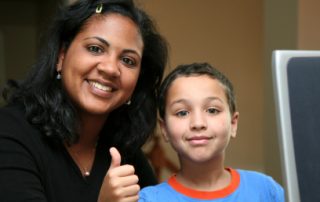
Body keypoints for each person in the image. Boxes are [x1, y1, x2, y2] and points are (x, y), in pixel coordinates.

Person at [0, 0, 168, 201]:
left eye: (128, 60)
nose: (110, 68)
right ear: (61, 57)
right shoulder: (10, 131)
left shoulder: (126, 157)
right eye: (95, 48)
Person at [139, 63, 285, 201]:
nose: (198, 123)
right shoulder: (148, 199)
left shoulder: (265, 190)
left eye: (212, 110)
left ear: (233, 123)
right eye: (182, 113)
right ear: (164, 129)